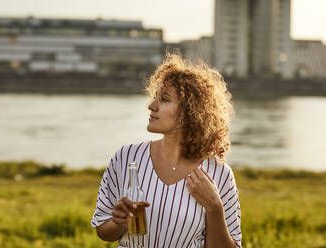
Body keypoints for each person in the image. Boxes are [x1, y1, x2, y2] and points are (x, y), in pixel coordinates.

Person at [91, 53, 242, 248]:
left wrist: (214, 208)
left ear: (190, 111)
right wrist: (118, 222)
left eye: (164, 99)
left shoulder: (219, 173)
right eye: (155, 97)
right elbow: (103, 231)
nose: (152, 106)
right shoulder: (126, 157)